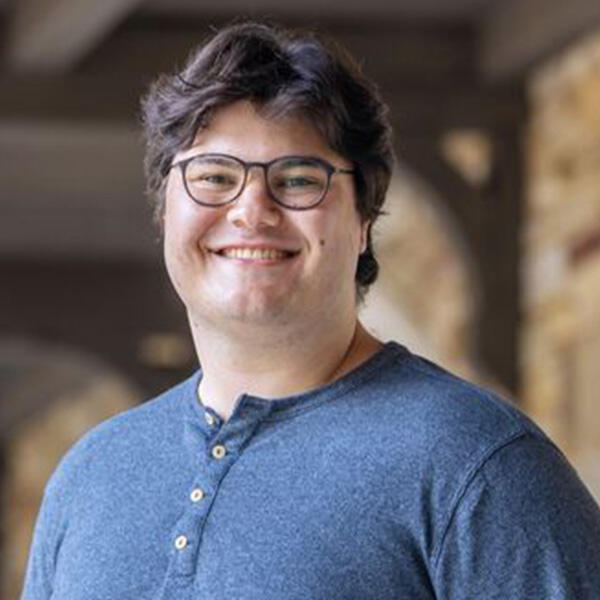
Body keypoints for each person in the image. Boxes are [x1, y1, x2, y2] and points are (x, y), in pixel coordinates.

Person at [21, 21, 600, 600]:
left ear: (364, 220)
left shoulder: (477, 466)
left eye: (298, 179)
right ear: (164, 211)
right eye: (214, 177)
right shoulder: (90, 476)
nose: (251, 210)